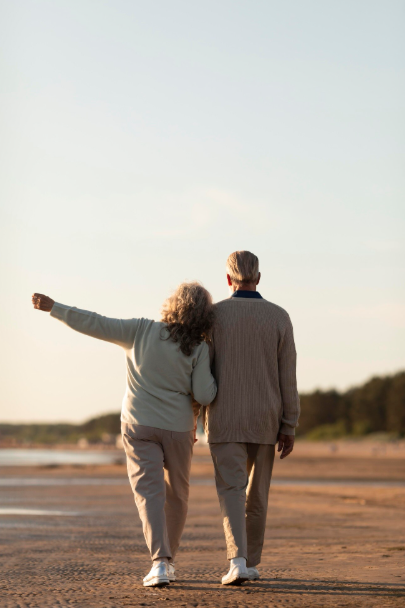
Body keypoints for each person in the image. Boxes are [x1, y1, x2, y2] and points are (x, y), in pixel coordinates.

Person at [32, 283, 217, 587]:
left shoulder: (141, 330)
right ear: (204, 314)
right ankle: (167, 562)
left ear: (172, 303)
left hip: (139, 424)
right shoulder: (199, 346)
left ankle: (159, 562)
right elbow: (204, 394)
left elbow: (96, 323)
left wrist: (56, 308)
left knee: (150, 494)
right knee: (177, 495)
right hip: (179, 429)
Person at [203, 251, 300, 585]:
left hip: (224, 417)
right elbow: (288, 376)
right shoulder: (279, 317)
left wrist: (193, 415)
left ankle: (238, 561)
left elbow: (203, 373)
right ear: (258, 277)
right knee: (258, 494)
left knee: (232, 490)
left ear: (228, 280)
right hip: (266, 419)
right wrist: (289, 425)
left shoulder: (213, 316)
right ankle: (249, 561)